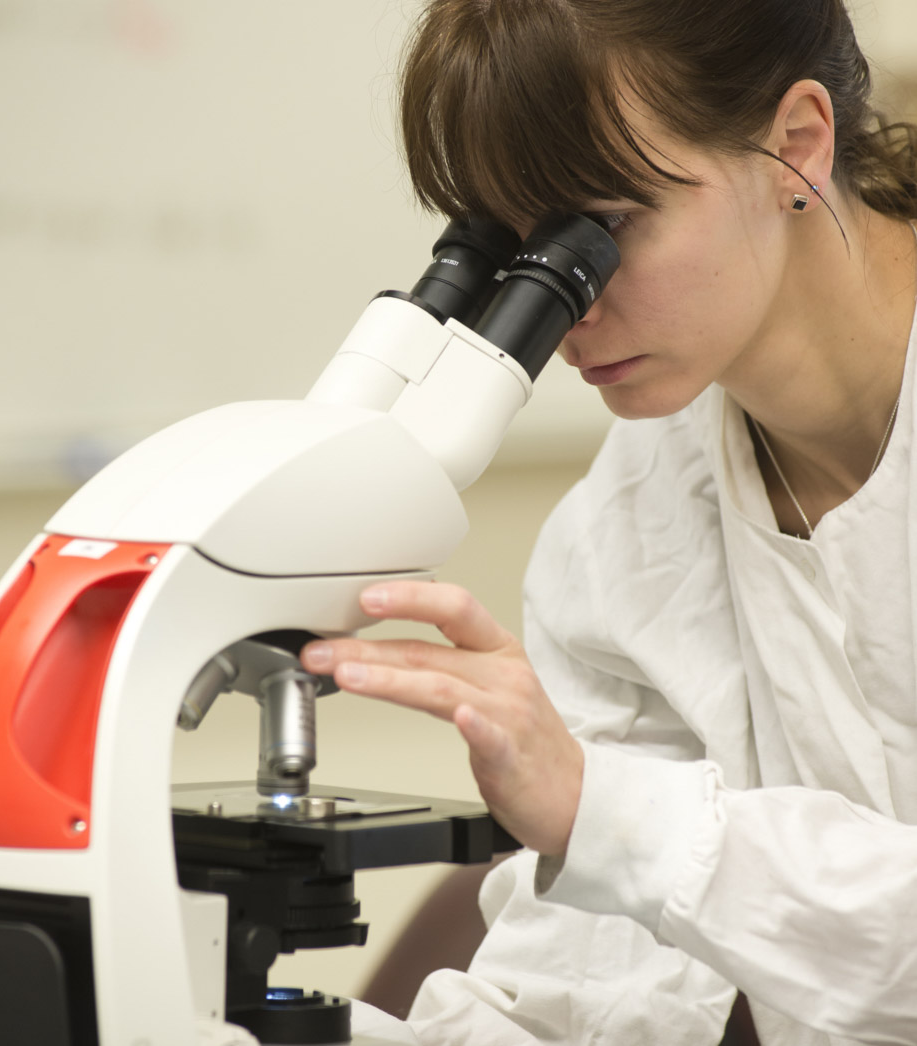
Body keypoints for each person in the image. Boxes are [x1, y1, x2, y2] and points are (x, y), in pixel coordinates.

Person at [301, 0, 917, 1042]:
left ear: (794, 147)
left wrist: (604, 807)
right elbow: (583, 996)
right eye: (526, 247)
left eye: (604, 226)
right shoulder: (627, 526)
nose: (567, 314)